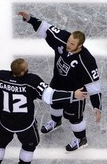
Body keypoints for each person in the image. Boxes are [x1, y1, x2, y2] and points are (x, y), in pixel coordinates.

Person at [0, 58, 88, 164]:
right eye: (26, 68)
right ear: (22, 72)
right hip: (26, 125)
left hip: (5, 123)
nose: (28, 68)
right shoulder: (32, 81)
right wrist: (73, 95)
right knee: (29, 146)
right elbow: (51, 97)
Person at [17, 11, 102, 153]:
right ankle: (56, 121)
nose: (68, 44)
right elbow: (46, 28)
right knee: (54, 103)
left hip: (76, 93)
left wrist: (97, 107)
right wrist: (30, 18)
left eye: (72, 44)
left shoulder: (87, 60)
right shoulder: (63, 39)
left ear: (80, 46)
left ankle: (81, 139)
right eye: (69, 41)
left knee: (76, 118)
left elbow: (94, 86)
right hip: (57, 83)